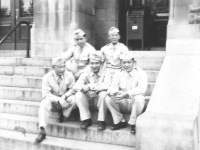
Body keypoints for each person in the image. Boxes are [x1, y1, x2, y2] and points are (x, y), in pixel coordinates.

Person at [35, 57, 76, 143]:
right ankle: (42, 130)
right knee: (44, 103)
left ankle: (63, 115)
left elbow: (73, 89)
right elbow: (45, 94)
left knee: (74, 99)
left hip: (65, 99)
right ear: (53, 67)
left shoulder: (69, 75)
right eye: (59, 67)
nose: (62, 69)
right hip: (53, 101)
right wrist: (58, 99)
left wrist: (64, 97)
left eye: (64, 67)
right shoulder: (47, 77)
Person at [105, 51, 147, 134]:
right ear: (121, 63)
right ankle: (119, 121)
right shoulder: (118, 73)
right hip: (123, 101)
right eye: (124, 62)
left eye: (129, 62)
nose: (126, 65)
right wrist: (115, 93)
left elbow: (142, 89)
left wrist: (126, 93)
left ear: (133, 62)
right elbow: (112, 87)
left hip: (134, 102)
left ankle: (134, 124)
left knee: (139, 98)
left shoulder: (141, 73)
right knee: (108, 99)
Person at [73, 51, 112, 130]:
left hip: (100, 99)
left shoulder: (107, 72)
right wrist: (86, 90)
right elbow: (76, 86)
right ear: (89, 64)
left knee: (104, 94)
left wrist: (90, 87)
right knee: (78, 95)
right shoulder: (86, 72)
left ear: (101, 63)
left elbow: (107, 85)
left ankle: (101, 120)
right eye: (92, 63)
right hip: (89, 99)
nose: (94, 66)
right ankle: (86, 119)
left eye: (97, 63)